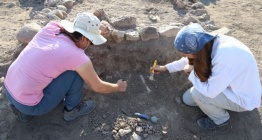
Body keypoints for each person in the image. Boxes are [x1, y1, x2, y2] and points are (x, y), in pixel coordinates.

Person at [4, 12, 127, 123]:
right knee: (75, 72)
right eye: (91, 41)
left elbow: (77, 25)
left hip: (9, 89)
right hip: (31, 106)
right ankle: (72, 109)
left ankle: (21, 112)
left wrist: (95, 29)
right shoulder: (76, 56)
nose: (90, 45)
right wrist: (118, 87)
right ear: (84, 38)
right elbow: (98, 87)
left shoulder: (50, 28)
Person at [151, 23, 261, 129]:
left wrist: (193, 73)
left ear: (194, 51)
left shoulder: (224, 58)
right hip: (229, 85)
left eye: (185, 53)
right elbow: (189, 60)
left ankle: (221, 119)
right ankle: (212, 105)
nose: (184, 55)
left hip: (243, 98)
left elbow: (211, 92)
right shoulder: (207, 43)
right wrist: (165, 67)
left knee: (198, 95)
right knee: (188, 99)